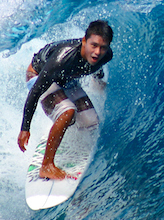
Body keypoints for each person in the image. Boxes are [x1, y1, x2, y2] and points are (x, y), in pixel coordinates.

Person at [17, 20, 113, 180]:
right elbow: (35, 92)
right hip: (39, 75)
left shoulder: (106, 55)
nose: (97, 52)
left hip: (66, 78)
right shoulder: (62, 60)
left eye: (102, 47)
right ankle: (46, 166)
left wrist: (99, 80)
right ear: (84, 41)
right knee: (68, 112)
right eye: (93, 45)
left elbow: (97, 66)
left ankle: (61, 127)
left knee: (91, 121)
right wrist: (25, 128)